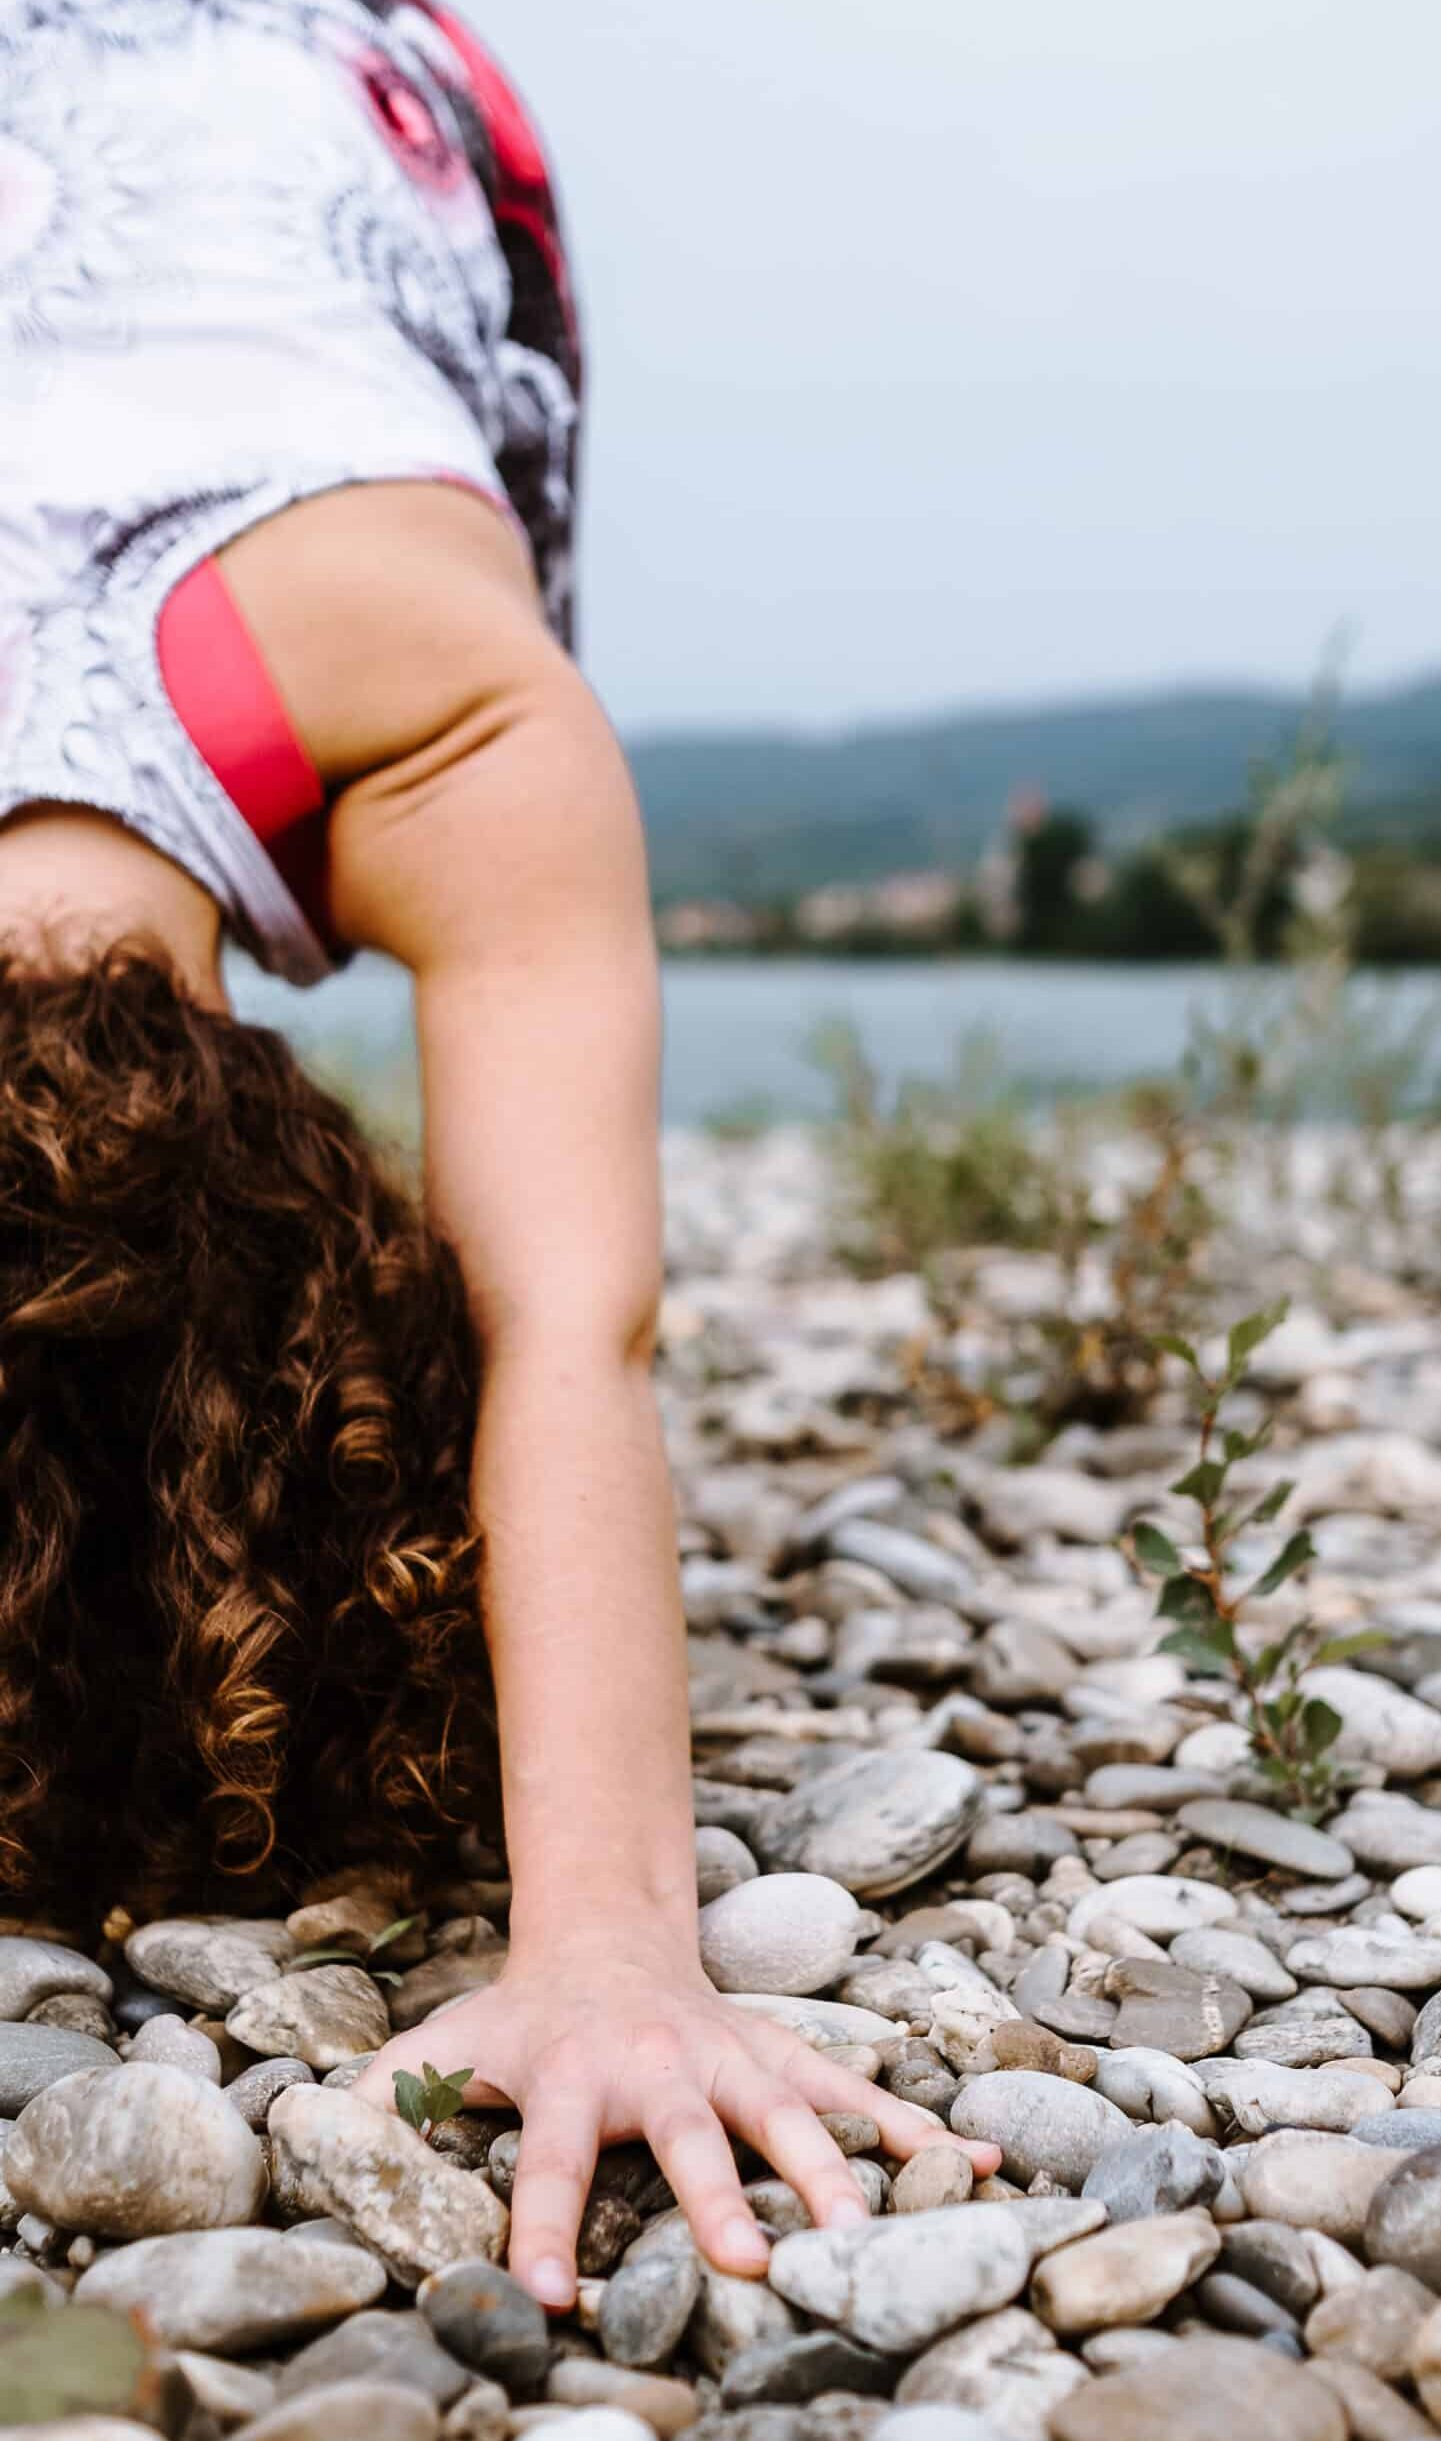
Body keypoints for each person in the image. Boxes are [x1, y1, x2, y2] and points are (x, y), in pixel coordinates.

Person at [0, 0, 996, 2311]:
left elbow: (571, 1333)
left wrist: (619, 1954)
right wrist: (601, 1956)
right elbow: (560, 1322)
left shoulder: (435, 696)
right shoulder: (429, 696)